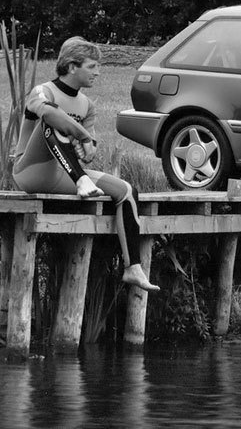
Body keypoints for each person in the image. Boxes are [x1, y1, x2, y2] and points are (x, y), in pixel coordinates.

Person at [12, 36, 159, 292]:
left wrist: (87, 145)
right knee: (52, 116)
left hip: (64, 172)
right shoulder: (43, 91)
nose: (98, 73)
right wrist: (80, 134)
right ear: (71, 66)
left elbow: (89, 151)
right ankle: (81, 180)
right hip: (30, 171)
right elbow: (48, 114)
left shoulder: (87, 105)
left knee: (126, 191)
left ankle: (132, 268)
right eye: (92, 67)